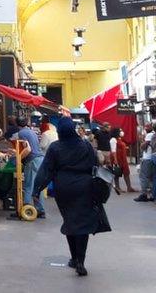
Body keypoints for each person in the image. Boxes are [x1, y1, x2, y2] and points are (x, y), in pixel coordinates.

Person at [34, 117, 112, 276]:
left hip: (63, 188)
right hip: (85, 187)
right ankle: (81, 262)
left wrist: (36, 190)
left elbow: (46, 170)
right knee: (82, 223)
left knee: (70, 220)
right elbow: (95, 164)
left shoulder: (55, 148)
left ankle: (74, 258)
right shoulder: (85, 145)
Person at [13, 117, 46, 218]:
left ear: (16, 124)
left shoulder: (22, 133)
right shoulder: (31, 132)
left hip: (32, 161)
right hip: (40, 159)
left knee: (28, 185)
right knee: (37, 186)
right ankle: (40, 210)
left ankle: (25, 209)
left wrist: (18, 158)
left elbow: (28, 149)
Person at [110, 127, 136, 193]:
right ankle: (117, 187)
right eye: (120, 131)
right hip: (117, 159)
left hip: (123, 159)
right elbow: (113, 151)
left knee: (126, 172)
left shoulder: (119, 139)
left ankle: (129, 187)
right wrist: (115, 160)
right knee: (117, 173)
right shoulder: (113, 140)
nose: (121, 132)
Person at [135, 122, 155, 202]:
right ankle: (152, 194)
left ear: (151, 127)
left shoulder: (149, 135)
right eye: (145, 126)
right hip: (152, 157)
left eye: (147, 126)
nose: (146, 128)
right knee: (151, 177)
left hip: (147, 158)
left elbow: (143, 146)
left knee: (143, 177)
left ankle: (144, 194)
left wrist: (141, 140)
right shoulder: (153, 134)